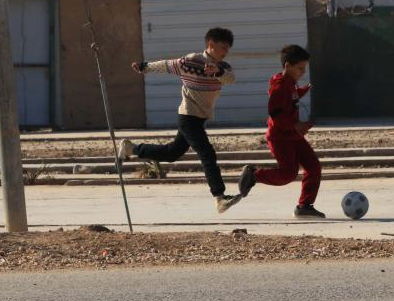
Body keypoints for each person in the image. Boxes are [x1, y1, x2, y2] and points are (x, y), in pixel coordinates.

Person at [118, 27, 240, 213]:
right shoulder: (191, 61)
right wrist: (144, 67)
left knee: (171, 153)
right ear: (211, 44)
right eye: (223, 47)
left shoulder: (223, 67)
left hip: (199, 118)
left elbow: (231, 79)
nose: (225, 52)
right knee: (207, 154)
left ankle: (131, 148)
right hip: (188, 115)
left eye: (228, 49)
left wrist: (217, 71)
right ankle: (220, 198)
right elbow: (167, 65)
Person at [234, 44, 324, 218]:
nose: (303, 72)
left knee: (313, 167)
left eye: (304, 68)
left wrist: (304, 89)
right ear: (288, 66)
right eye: (300, 68)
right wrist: (296, 125)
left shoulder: (289, 83)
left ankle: (304, 206)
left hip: (294, 136)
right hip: (280, 138)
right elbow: (275, 115)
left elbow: (292, 97)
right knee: (287, 174)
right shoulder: (279, 87)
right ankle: (254, 174)